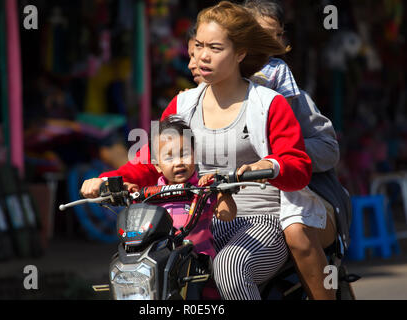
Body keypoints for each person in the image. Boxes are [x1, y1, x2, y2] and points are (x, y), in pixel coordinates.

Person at [81, 1, 318, 300]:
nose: (202, 56)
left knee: (230, 265)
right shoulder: (182, 104)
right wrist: (108, 180)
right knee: (149, 266)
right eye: (200, 46)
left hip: (263, 219)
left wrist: (268, 166)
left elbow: (298, 166)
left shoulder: (269, 103)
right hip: (198, 219)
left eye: (215, 48)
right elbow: (150, 163)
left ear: (240, 52)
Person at [243, 0, 351, 300]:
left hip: (298, 194)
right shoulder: (197, 97)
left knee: (297, 232)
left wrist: (277, 158)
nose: (272, 43)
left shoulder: (285, 88)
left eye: (277, 35)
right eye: (197, 49)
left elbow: (328, 149)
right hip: (236, 203)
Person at [124, 115, 237, 259]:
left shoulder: (203, 189)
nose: (178, 162)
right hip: (160, 263)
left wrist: (222, 190)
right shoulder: (149, 195)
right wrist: (128, 192)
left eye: (184, 154)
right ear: (157, 165)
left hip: (197, 266)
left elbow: (227, 215)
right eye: (169, 157)